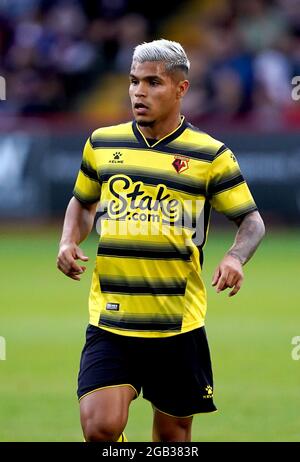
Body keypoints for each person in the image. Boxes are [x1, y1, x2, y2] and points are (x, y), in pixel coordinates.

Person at [57, 39, 265, 442]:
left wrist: (236, 257)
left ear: (180, 89)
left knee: (172, 438)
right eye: (134, 81)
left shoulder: (210, 155)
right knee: (100, 428)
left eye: (153, 82)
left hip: (177, 325)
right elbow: (82, 203)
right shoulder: (102, 143)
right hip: (112, 320)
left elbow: (251, 222)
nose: (139, 92)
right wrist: (68, 240)